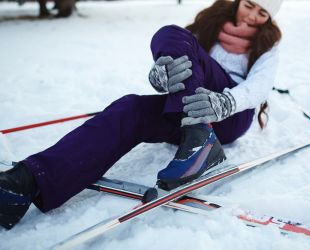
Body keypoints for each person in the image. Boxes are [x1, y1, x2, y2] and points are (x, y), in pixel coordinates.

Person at [0, 0, 282, 230]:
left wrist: (226, 101)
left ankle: (201, 139)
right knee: (134, 102)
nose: (253, 16)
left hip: (230, 114)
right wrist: (163, 76)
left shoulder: (268, 44)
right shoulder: (209, 24)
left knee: (179, 41)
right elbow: (183, 56)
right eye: (250, 5)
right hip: (190, 108)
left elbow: (259, 86)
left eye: (263, 13)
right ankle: (25, 183)